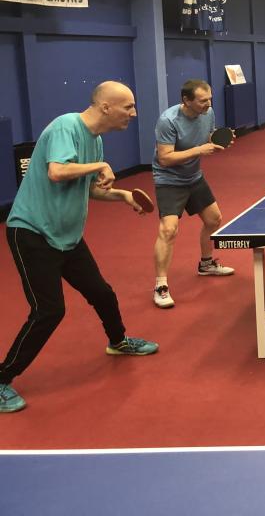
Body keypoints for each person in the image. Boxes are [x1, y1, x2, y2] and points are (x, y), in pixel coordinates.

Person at [0, 82, 159, 413]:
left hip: (67, 236)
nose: (133, 113)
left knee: (102, 293)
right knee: (49, 310)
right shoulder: (67, 126)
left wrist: (123, 195)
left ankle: (118, 342)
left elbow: (88, 189)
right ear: (105, 107)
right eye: (128, 107)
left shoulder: (95, 140)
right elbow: (57, 172)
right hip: (32, 233)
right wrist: (100, 166)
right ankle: (2, 378)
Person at [152, 79, 235, 309]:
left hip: (194, 177)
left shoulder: (208, 113)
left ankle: (206, 264)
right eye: (202, 101)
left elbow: (208, 138)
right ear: (186, 100)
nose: (208, 104)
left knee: (214, 220)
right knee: (168, 230)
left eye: (210, 99)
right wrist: (199, 150)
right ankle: (160, 285)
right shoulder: (168, 121)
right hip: (169, 180)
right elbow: (165, 158)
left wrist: (216, 143)